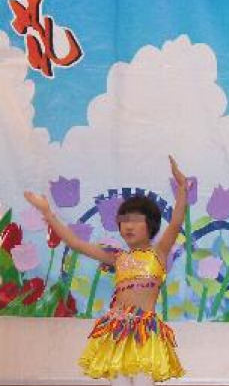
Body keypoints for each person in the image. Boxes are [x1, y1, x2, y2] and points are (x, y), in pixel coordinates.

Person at [24, 156, 191, 386]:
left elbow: (176, 222)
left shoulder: (159, 253)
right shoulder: (117, 257)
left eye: (136, 220)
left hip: (144, 335)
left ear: (151, 224)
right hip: (116, 333)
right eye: (124, 221)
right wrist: (48, 213)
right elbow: (75, 243)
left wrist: (182, 188)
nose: (128, 226)